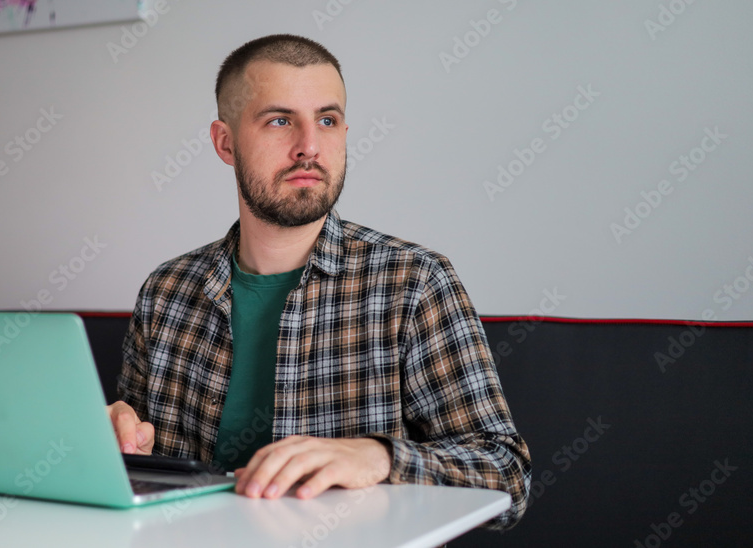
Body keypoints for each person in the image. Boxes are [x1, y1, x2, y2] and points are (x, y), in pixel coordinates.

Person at [108, 34, 531, 529]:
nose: (309, 147)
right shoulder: (167, 292)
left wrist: (377, 458)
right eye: (280, 120)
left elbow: (507, 476)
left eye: (327, 121)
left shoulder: (414, 282)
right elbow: (132, 468)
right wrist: (112, 438)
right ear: (225, 142)